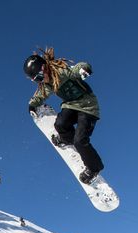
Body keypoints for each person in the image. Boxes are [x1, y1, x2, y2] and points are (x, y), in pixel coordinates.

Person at [25, 48, 104, 184]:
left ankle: (94, 168)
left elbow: (76, 69)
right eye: (36, 80)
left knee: (80, 140)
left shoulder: (61, 72)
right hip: (71, 105)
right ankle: (66, 139)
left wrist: (84, 68)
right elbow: (42, 94)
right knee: (60, 124)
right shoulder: (48, 83)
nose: (40, 81)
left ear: (44, 68)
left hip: (88, 106)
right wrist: (32, 104)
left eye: (39, 77)